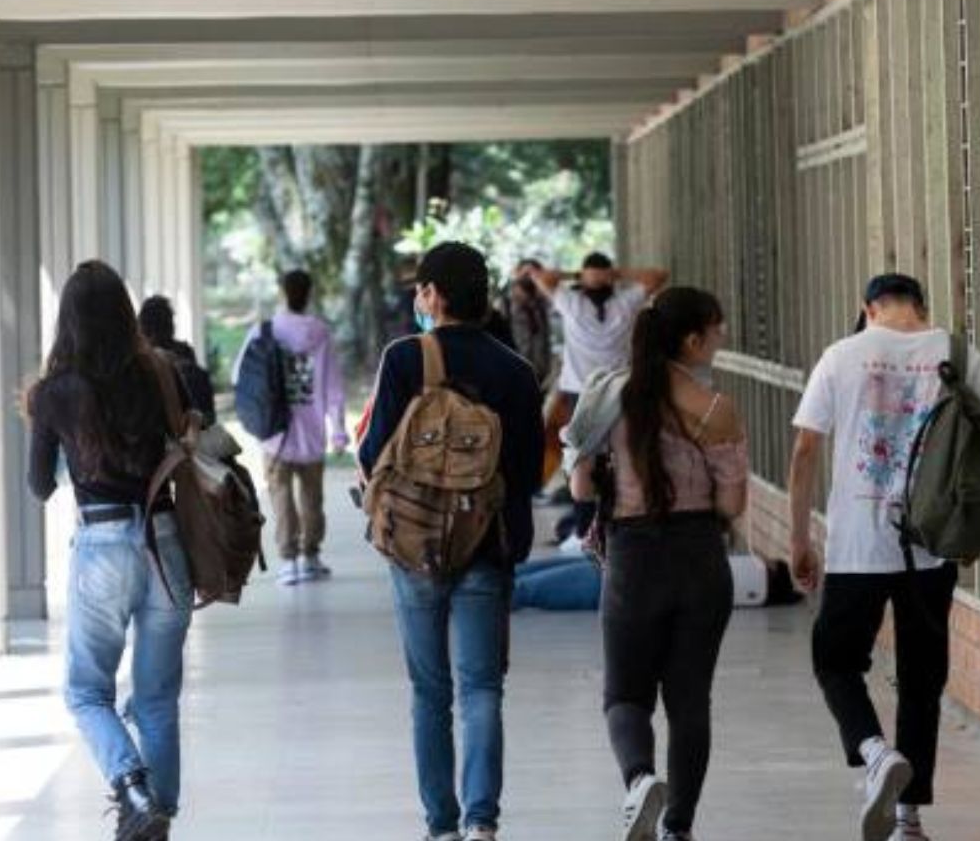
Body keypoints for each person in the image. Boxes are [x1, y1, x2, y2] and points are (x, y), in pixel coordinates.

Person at [786, 273, 980, 841]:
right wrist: (971, 532)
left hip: (858, 542)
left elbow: (806, 448)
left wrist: (799, 539)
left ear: (867, 308)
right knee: (921, 680)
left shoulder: (842, 354)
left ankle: (874, 751)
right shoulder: (960, 353)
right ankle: (908, 819)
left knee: (835, 660)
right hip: (932, 545)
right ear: (920, 306)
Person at [359, 242, 545, 841]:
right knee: (482, 688)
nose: (419, 298)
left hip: (414, 546)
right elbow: (526, 470)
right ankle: (481, 823)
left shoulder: (405, 358)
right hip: (486, 544)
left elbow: (371, 453)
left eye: (421, 288)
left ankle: (440, 826)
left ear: (434, 295)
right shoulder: (516, 371)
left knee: (429, 691)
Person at [569, 286, 745, 841]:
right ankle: (679, 828)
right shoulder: (715, 408)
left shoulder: (605, 395)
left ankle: (640, 779)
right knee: (690, 700)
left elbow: (578, 485)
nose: (721, 340)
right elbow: (732, 504)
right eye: (717, 330)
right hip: (700, 557)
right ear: (693, 340)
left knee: (625, 696)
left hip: (633, 557)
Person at [25, 261, 193, 841]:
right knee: (156, 699)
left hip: (101, 545)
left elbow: (39, 485)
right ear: (125, 314)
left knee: (87, 691)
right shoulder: (159, 374)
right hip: (166, 542)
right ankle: (157, 815)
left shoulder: (55, 393)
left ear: (67, 322)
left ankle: (131, 785)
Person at [530, 254, 670, 533]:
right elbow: (658, 275)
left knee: (582, 460)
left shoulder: (572, 303)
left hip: (581, 395)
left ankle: (585, 529)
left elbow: (540, 277)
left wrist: (581, 274)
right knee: (621, 456)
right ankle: (612, 522)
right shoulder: (625, 303)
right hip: (617, 393)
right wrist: (613, 273)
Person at [238, 269, 348, 585]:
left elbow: (240, 375)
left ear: (282, 294)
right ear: (309, 294)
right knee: (312, 498)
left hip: (275, 433)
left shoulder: (264, 330)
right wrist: (338, 430)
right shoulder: (321, 333)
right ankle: (311, 556)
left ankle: (289, 562)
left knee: (281, 495)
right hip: (312, 433)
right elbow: (333, 386)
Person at [137, 295, 215, 425]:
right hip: (197, 428)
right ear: (171, 325)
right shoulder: (186, 353)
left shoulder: (143, 361)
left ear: (143, 327)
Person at [499, 259, 554, 387]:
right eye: (526, 274)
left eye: (534, 275)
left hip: (540, 374)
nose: (530, 277)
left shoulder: (543, 303)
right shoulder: (504, 303)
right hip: (511, 372)